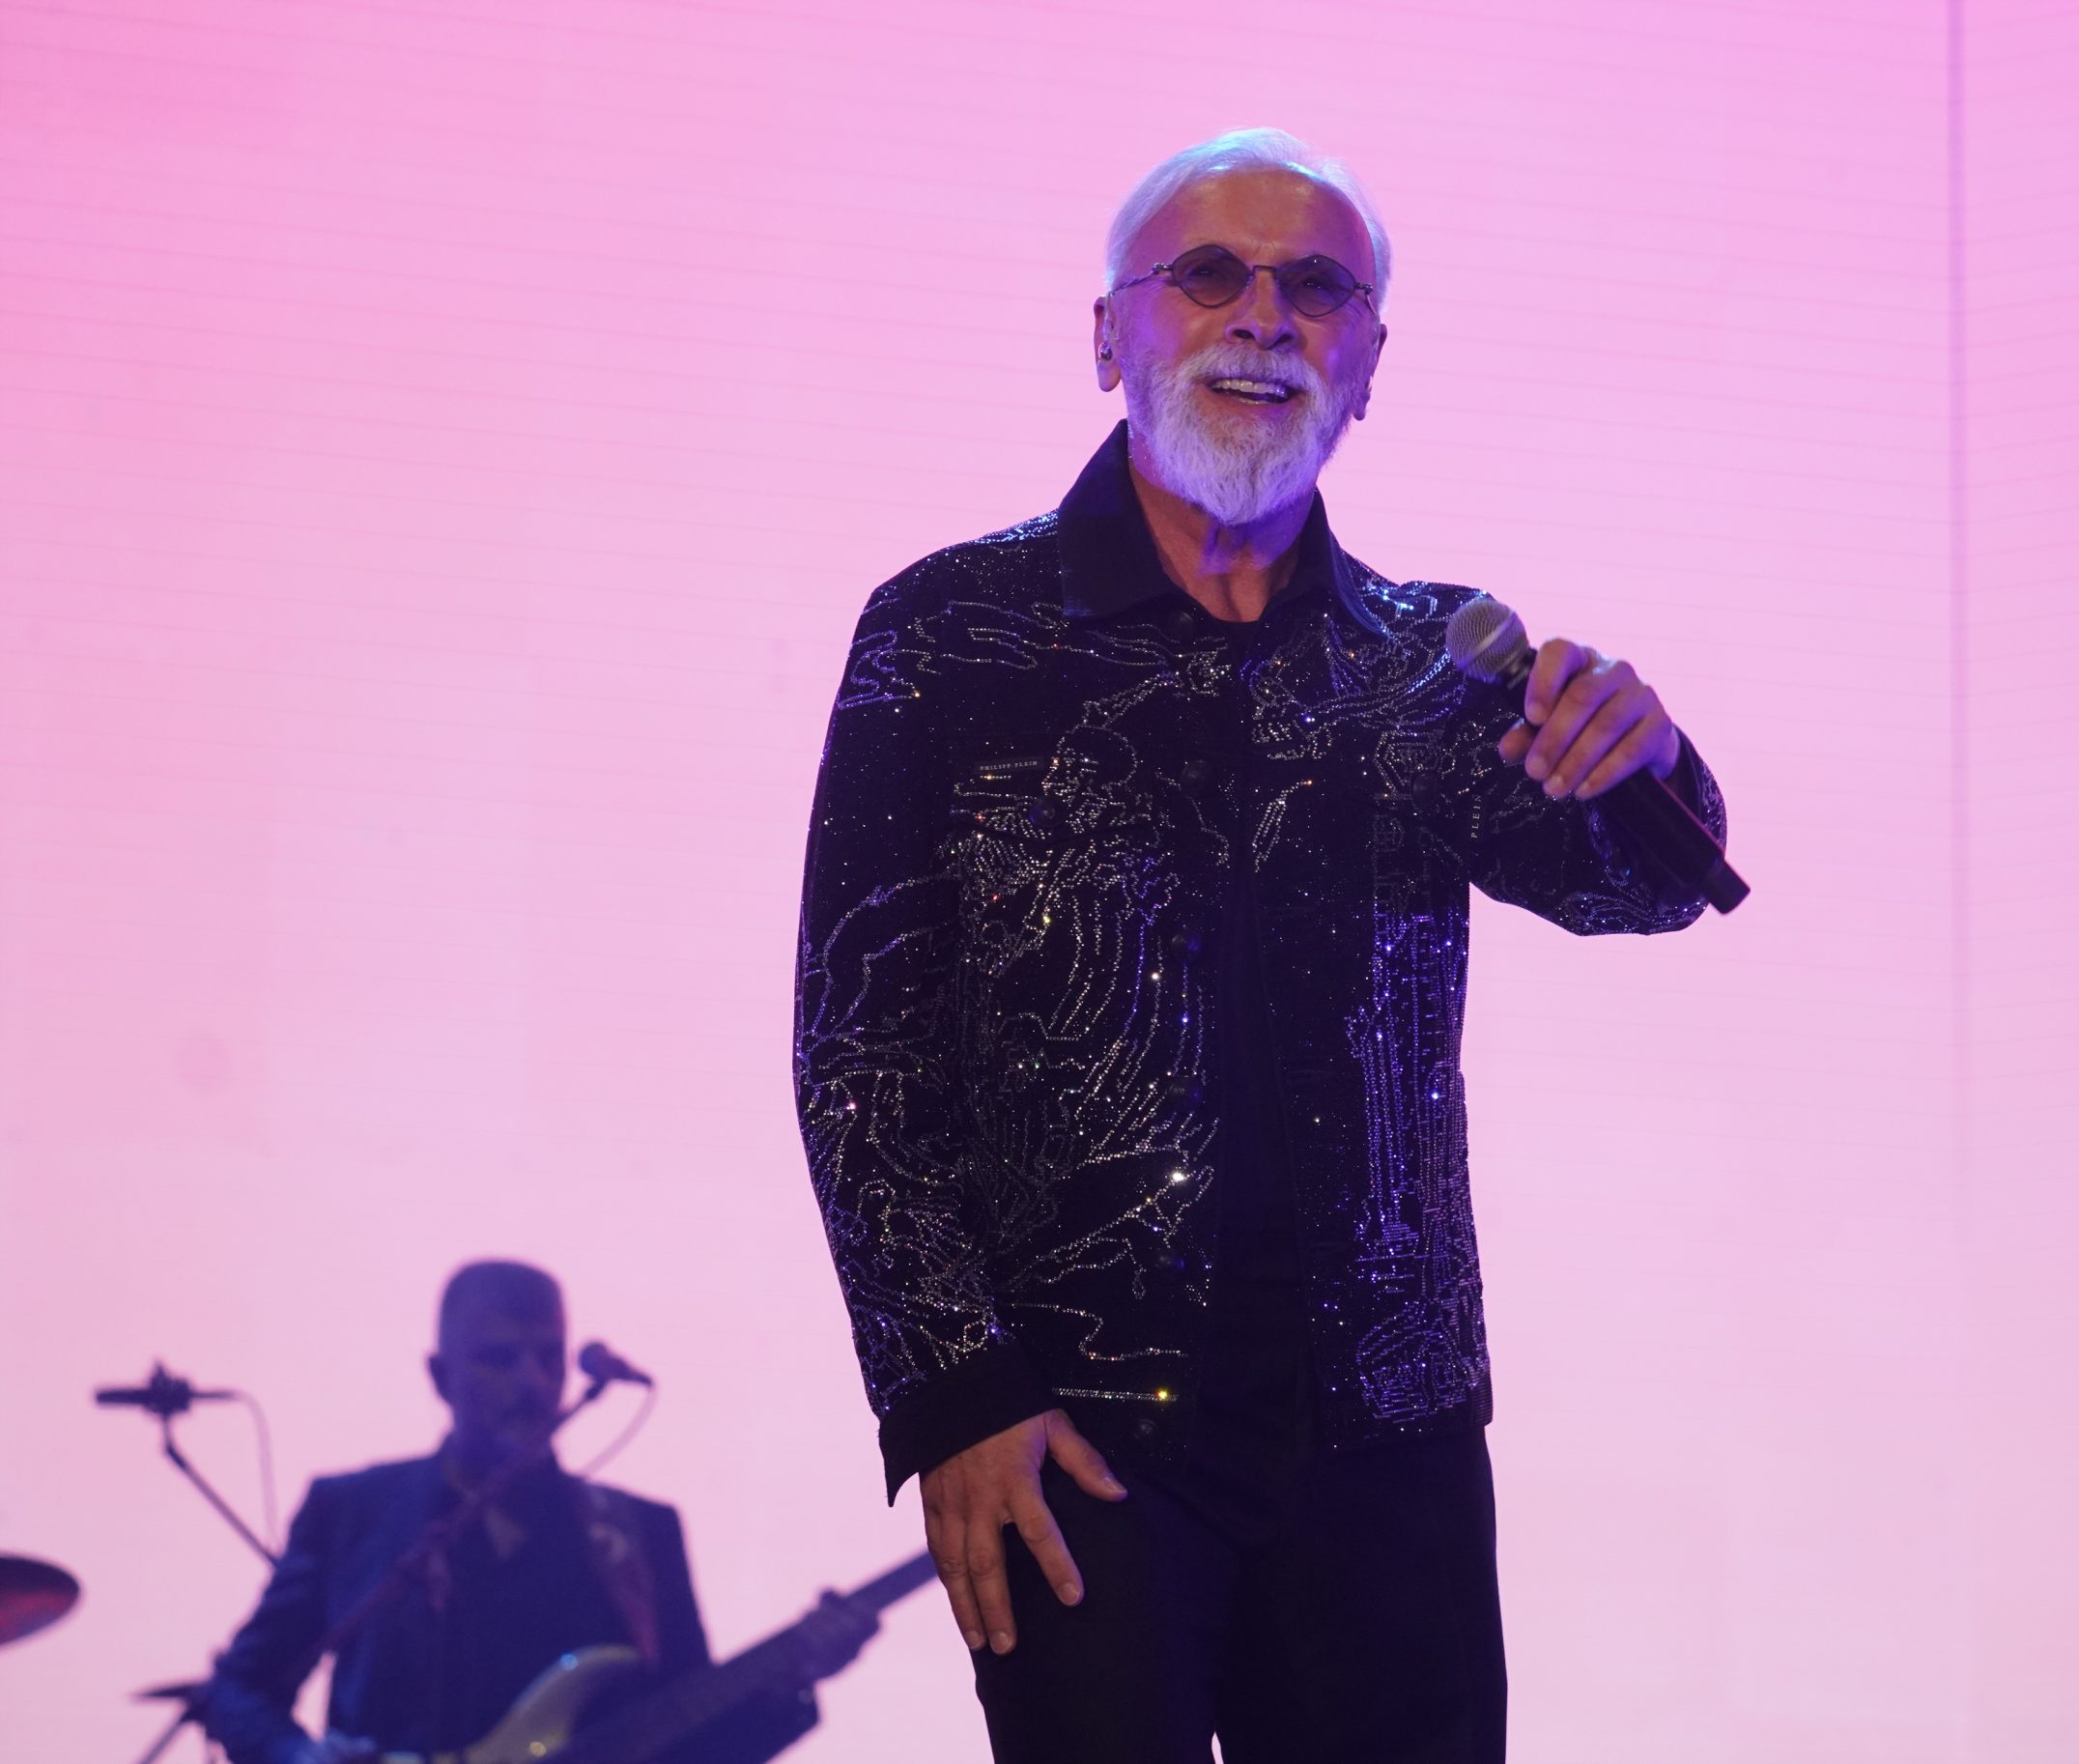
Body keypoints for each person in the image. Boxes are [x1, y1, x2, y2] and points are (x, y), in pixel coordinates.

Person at [793, 128, 1726, 1764]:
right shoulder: (950, 634)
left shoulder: (1428, 659)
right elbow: (861, 1045)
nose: (1266, 317)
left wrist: (1653, 764)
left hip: (1387, 1429)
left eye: (1317, 288)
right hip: (1080, 1434)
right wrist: (952, 1392)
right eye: (1211, 274)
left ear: (1368, 363)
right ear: (1108, 336)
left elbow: (1629, 886)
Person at [202, 1261, 869, 1764]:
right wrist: (298, 1756)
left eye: (549, 1356)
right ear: (439, 1376)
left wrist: (793, 1681)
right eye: (499, 1358)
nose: (533, 1382)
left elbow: (691, 1743)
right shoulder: (351, 1512)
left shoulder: (640, 1533)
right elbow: (237, 1688)